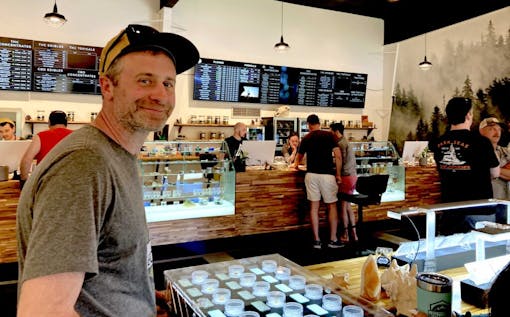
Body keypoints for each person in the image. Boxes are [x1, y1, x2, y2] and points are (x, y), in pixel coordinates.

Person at [16, 24, 199, 316]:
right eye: (144, 80)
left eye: (168, 83)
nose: (160, 95)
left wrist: (138, 298)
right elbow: (43, 310)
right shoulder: (84, 164)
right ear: (107, 87)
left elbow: (104, 267)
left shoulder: (115, 155)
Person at [432, 97, 500, 234]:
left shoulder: (438, 143)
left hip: (450, 210)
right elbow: (495, 173)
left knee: (450, 253)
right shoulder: (481, 142)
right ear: (468, 115)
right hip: (479, 209)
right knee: (481, 253)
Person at [291, 114, 343, 249]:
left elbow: (299, 157)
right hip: (327, 176)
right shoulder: (330, 136)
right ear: (319, 123)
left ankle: (317, 241)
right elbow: (338, 155)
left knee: (314, 208)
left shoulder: (307, 138)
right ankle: (333, 239)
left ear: (309, 124)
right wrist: (338, 174)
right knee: (331, 206)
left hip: (311, 175)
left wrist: (295, 165)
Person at [19, 110, 73, 188]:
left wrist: (24, 182)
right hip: (70, 183)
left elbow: (26, 161)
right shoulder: (76, 136)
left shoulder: (41, 136)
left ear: (49, 122)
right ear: (66, 123)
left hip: (46, 184)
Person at [331, 122, 358, 243]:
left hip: (345, 177)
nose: (330, 134)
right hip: (353, 177)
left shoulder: (340, 144)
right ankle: (355, 235)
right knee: (348, 207)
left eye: (331, 132)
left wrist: (336, 172)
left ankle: (345, 234)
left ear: (336, 132)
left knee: (342, 207)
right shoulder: (347, 142)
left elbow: (340, 161)